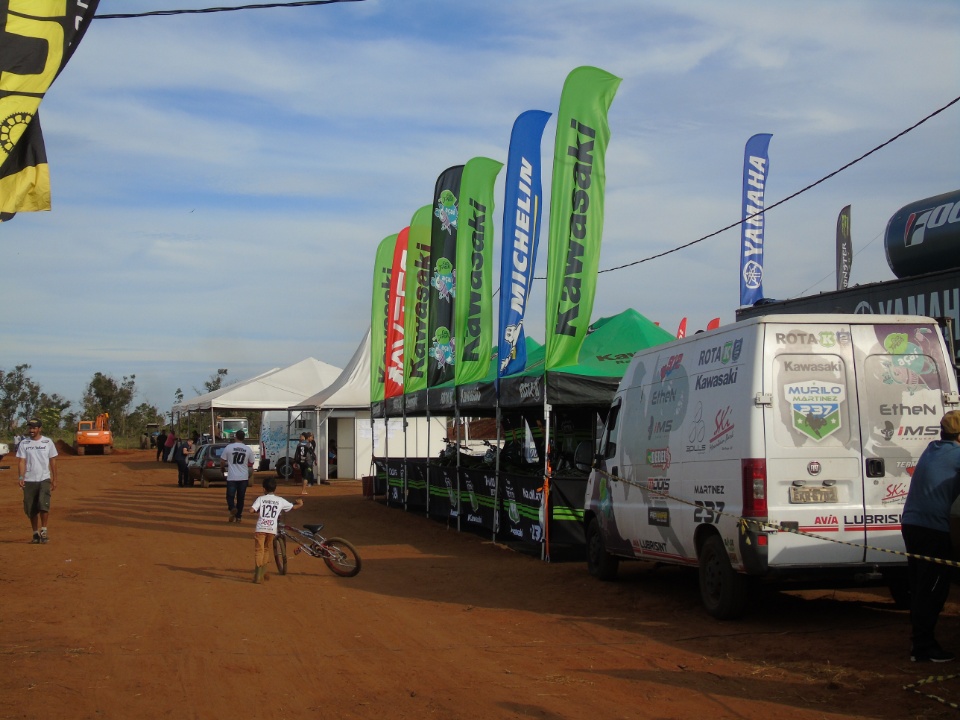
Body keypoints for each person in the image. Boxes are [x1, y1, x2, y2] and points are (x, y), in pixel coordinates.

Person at [901, 410, 960, 663]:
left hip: (911, 525)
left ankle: (919, 644)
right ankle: (924, 647)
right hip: (931, 530)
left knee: (919, 586)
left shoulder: (932, 449)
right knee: (934, 589)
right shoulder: (958, 455)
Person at [248, 476, 303, 583]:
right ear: (275, 489)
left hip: (260, 528)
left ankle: (258, 575)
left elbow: (251, 510)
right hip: (271, 529)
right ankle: (263, 572)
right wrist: (300, 503)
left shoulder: (260, 499)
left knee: (259, 550)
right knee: (266, 549)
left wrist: (256, 511)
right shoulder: (280, 500)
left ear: (264, 489)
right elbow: (293, 507)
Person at [16, 417, 58, 544]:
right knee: (31, 508)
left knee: (43, 504)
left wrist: (54, 478)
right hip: (29, 480)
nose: (31, 430)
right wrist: (21, 477)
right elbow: (22, 461)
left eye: (34, 428)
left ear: (40, 429)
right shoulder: (24, 444)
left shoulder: (47, 442)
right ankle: (35, 533)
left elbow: (53, 460)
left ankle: (44, 530)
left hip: (44, 478)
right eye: (30, 428)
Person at [221, 429, 255, 523]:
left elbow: (222, 461)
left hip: (232, 476)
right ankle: (239, 517)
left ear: (235, 437)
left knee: (230, 496)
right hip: (243, 477)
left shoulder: (229, 447)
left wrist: (222, 468)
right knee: (241, 498)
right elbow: (252, 462)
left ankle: (232, 508)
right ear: (244, 438)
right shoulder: (247, 449)